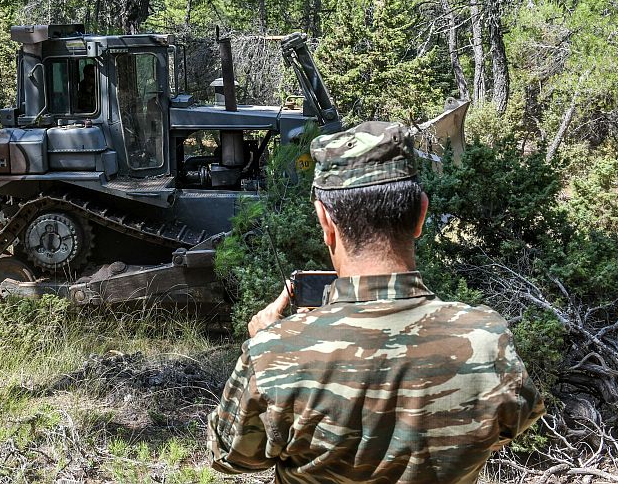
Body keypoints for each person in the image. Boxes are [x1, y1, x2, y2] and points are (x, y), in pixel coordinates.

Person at [207, 121, 545, 484]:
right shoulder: (487, 341)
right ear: (420, 215)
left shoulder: (274, 352)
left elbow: (230, 457)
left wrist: (267, 344)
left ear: (326, 221)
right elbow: (511, 425)